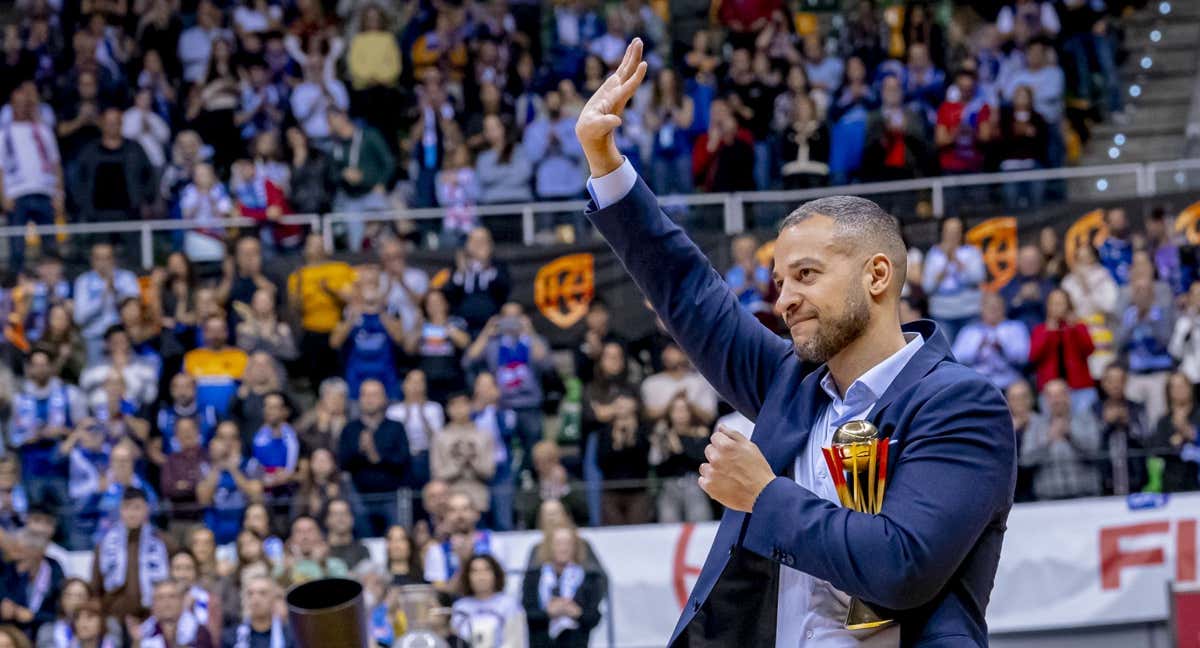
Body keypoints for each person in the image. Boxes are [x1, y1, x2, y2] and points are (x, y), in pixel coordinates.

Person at [576, 40, 1013, 646]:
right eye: (779, 282)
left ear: (877, 276)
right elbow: (688, 289)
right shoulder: (789, 380)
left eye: (806, 275)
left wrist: (763, 496)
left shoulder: (961, 404)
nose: (782, 300)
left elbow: (903, 567)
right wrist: (604, 161)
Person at [9, 349, 86, 512]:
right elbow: (11, 436)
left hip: (63, 468)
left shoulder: (69, 394)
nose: (40, 369)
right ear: (28, 368)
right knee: (35, 515)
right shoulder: (19, 398)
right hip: (31, 468)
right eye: (35, 365)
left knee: (67, 516)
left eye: (44, 365)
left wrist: (63, 432)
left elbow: (84, 427)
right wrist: (31, 436)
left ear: (51, 367)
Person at [0, 83, 64, 273]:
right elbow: (0, 167)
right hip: (17, 193)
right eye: (17, 104)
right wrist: (3, 196)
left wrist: (59, 193)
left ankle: (52, 283)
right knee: (17, 247)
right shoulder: (4, 134)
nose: (22, 108)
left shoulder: (43, 131)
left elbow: (55, 163)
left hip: (45, 191)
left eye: (25, 104)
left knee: (50, 245)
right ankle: (16, 284)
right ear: (11, 107)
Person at [337, 380, 410, 535]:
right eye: (365, 394)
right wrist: (361, 451)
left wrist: (376, 456)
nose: (369, 399)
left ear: (384, 399)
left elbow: (403, 460)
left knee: (397, 536)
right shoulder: (350, 429)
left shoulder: (395, 427)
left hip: (391, 494)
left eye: (374, 394)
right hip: (359, 496)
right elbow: (343, 463)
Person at [287, 234, 355, 391]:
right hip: (311, 332)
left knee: (339, 376)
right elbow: (296, 309)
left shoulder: (340, 269)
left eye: (319, 244)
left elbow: (353, 298)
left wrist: (331, 290)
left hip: (338, 330)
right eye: (312, 244)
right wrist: (297, 289)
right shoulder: (297, 276)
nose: (316, 248)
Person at [91, 487, 170, 621]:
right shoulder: (105, 543)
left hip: (152, 615)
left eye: (137, 508)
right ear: (120, 510)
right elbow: (96, 585)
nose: (132, 513)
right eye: (127, 508)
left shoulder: (161, 541)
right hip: (113, 614)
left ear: (147, 509)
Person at [521, 526, 603, 648]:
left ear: (575, 547)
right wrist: (548, 613)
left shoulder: (588, 578)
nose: (563, 548)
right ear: (549, 547)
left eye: (568, 544)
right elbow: (525, 613)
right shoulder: (534, 577)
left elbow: (594, 617)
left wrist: (577, 613)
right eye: (558, 543)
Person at [1021, 379, 1102, 500]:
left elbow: (1096, 453)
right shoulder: (1035, 424)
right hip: (1047, 499)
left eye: (1060, 394)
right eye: (1051, 396)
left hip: (1085, 496)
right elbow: (1025, 460)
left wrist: (1070, 436)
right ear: (1045, 400)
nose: (1056, 400)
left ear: (1069, 396)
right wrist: (1048, 441)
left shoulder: (1086, 419)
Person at [327, 109, 394, 252]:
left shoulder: (369, 136)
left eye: (331, 120)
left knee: (379, 234)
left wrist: (382, 182)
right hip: (351, 198)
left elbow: (389, 161)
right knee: (356, 242)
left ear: (343, 116)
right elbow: (331, 174)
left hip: (372, 192)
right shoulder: (335, 146)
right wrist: (343, 174)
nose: (329, 125)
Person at [330, 281, 404, 399]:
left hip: (385, 375)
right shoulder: (349, 313)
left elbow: (400, 339)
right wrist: (352, 318)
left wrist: (381, 312)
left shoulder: (390, 312)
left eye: (374, 288)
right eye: (366, 289)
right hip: (356, 375)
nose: (370, 294)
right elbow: (334, 342)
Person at [1116, 277, 1175, 425]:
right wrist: (1135, 321)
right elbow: (1119, 342)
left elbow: (1166, 341)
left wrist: (1149, 319)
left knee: (1157, 417)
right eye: (1138, 291)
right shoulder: (1129, 314)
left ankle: (1157, 446)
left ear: (1152, 294)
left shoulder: (1161, 313)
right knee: (1133, 417)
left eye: (1145, 291)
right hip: (1135, 373)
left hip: (1158, 373)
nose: (1141, 295)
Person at [922, 215, 986, 342]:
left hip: (969, 311)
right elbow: (927, 287)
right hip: (942, 313)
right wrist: (945, 263)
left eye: (956, 231)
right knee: (947, 356)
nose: (952, 235)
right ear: (942, 232)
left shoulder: (972, 252)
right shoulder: (933, 253)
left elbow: (978, 278)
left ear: (962, 232)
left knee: (969, 352)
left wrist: (956, 260)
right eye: (949, 231)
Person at [1029, 289, 1096, 412]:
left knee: (1083, 423)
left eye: (1060, 303)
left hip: (1079, 387)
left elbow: (1089, 349)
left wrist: (1074, 328)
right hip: (1050, 390)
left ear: (1068, 305)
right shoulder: (1040, 330)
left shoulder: (1078, 326)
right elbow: (1034, 356)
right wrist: (1049, 332)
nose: (1057, 307)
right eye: (1053, 303)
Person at [649, 394, 711, 523]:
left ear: (690, 412)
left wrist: (678, 447)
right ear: (670, 413)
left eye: (683, 409)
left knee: (700, 523)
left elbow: (700, 461)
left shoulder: (700, 433)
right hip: (669, 485)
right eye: (675, 410)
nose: (680, 414)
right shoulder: (663, 435)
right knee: (668, 525)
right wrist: (659, 442)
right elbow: (656, 464)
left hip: (695, 484)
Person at [74, 244, 141, 363]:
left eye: (107, 258)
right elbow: (79, 317)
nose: (103, 263)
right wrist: (103, 296)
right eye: (99, 258)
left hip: (122, 339)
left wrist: (115, 292)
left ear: (114, 259)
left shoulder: (127, 278)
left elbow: (133, 309)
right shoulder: (83, 281)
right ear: (92, 261)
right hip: (94, 339)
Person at [197, 427, 264, 545]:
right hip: (215, 528)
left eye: (232, 438)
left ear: (239, 442)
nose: (227, 443)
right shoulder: (205, 468)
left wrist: (233, 468)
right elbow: (203, 500)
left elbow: (256, 495)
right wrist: (217, 464)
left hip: (243, 530)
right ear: (213, 442)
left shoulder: (251, 464)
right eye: (222, 438)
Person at [431, 392, 495, 515]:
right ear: (448, 409)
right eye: (455, 405)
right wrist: (459, 465)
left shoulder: (484, 435)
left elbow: (490, 470)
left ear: (471, 406)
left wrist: (472, 462)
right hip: (449, 497)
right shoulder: (440, 437)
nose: (460, 409)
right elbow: (436, 472)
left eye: (464, 404)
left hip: (479, 495)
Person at [951, 292, 1030, 391]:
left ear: (1004, 308)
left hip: (1009, 382)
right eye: (989, 307)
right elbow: (955, 358)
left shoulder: (1016, 328)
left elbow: (1023, 357)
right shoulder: (969, 331)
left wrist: (1002, 349)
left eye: (996, 307)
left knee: (1020, 389)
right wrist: (976, 349)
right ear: (982, 309)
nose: (993, 310)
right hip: (977, 383)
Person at [1092, 363, 1150, 496]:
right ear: (1103, 383)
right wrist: (1106, 425)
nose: (1115, 385)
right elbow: (1090, 445)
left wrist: (1129, 424)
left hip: (1135, 478)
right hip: (1106, 480)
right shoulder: (1094, 410)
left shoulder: (1137, 408)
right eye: (1111, 381)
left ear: (1126, 382)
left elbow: (1147, 439)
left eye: (1119, 380)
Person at [596, 394, 651, 525]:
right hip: (611, 490)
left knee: (638, 531)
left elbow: (645, 462)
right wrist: (616, 443)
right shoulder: (605, 433)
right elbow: (601, 463)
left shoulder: (643, 432)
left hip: (638, 490)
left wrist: (632, 438)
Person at [450, 554, 526, 648]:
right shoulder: (460, 607)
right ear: (467, 577)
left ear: (495, 574)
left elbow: (515, 642)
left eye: (486, 570)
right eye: (475, 571)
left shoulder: (509, 604)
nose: (481, 576)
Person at [0, 529, 63, 638]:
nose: (15, 557)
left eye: (20, 551)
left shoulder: (56, 574)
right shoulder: (10, 571)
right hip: (15, 633)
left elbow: (60, 614)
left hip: (47, 632)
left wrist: (34, 616)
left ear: (38, 552)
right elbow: (5, 599)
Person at [423, 491, 493, 591]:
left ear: (477, 513)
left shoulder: (494, 542)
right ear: (445, 516)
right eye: (453, 510)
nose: (460, 515)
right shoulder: (436, 551)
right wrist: (463, 562)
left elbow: (502, 585)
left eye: (465, 509)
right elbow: (442, 596)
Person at [183, 316, 248, 421]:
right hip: (199, 418)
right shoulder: (192, 357)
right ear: (204, 333)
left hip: (232, 416)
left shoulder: (240, 356)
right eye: (211, 330)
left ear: (226, 332)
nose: (215, 335)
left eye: (219, 330)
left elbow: (246, 386)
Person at [386, 370, 444, 486]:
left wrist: (423, 417)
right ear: (404, 385)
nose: (415, 386)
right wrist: (406, 417)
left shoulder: (434, 408)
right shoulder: (393, 411)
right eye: (412, 382)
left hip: (428, 456)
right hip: (404, 457)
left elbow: (438, 439)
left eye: (420, 382)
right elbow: (394, 439)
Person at [1149, 371, 1200, 493]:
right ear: (1168, 391)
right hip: (1172, 484)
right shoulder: (1163, 421)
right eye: (1174, 387)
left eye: (1182, 386)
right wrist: (1174, 441)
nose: (1179, 390)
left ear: (1190, 388)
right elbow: (1156, 450)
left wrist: (1192, 434)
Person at [640, 344, 718, 423]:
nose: (668, 354)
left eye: (674, 350)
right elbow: (647, 416)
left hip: (697, 431)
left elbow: (710, 417)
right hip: (663, 431)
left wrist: (688, 403)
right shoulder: (651, 382)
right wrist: (672, 403)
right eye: (666, 351)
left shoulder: (701, 380)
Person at [136, 579, 215, 648]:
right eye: (160, 597)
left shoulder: (199, 632)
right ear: (153, 604)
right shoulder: (143, 633)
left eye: (172, 596)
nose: (166, 602)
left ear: (182, 601)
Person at [219, 576, 292, 648]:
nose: (255, 599)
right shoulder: (231, 637)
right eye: (250, 593)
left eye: (263, 593)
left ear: (273, 598)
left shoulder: (290, 636)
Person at [1000, 245, 1057, 333]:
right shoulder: (1008, 287)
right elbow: (999, 315)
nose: (1030, 263)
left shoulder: (1048, 285)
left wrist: (1039, 298)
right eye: (1026, 260)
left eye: (1033, 260)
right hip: (1015, 335)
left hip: (1044, 334)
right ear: (1018, 262)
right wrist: (1018, 299)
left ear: (1040, 263)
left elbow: (1058, 313)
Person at [33, 577, 90, 648]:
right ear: (61, 600)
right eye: (69, 595)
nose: (74, 601)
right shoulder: (46, 631)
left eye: (80, 596)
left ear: (89, 600)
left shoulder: (95, 631)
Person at [323, 498, 369, 570]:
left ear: (352, 519)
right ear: (327, 520)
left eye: (344, 513)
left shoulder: (362, 550)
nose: (340, 518)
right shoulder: (321, 551)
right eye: (335, 514)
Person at [1171, 281, 1200, 384]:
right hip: (1189, 376)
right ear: (1190, 298)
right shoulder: (1183, 323)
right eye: (1195, 295)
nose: (1198, 299)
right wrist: (1188, 331)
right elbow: (1175, 352)